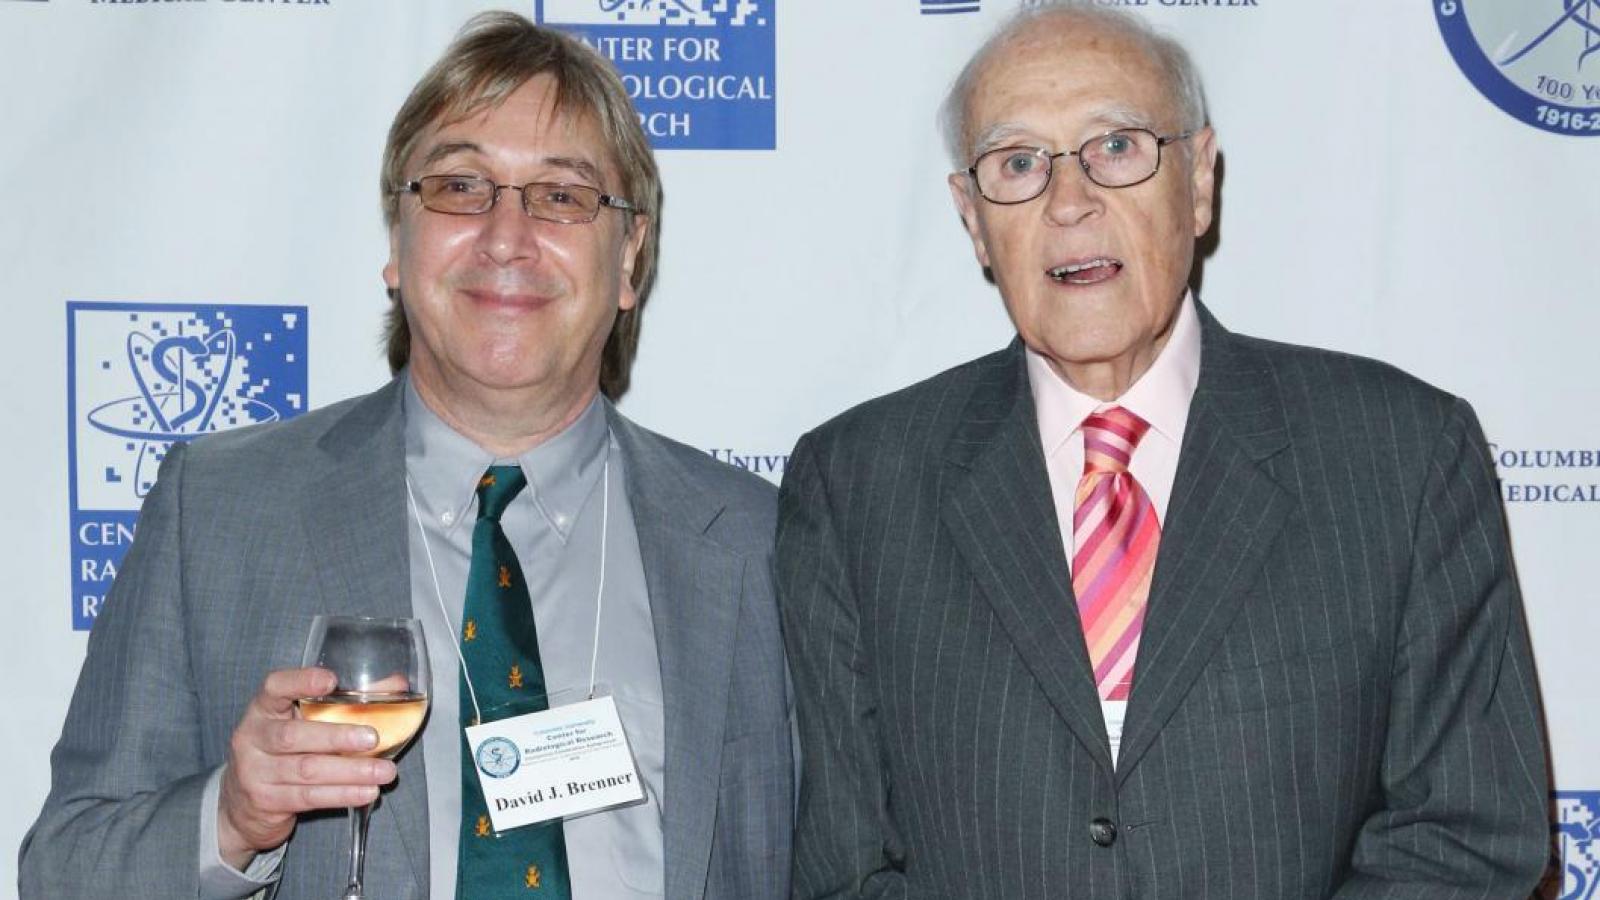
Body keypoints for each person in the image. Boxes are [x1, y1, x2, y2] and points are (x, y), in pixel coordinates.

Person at [775, 3, 1549, 898]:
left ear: (1200, 181)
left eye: (1116, 147)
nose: (1070, 201)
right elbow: (845, 865)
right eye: (1019, 163)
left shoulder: (1402, 456)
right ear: (975, 220)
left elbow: (1469, 833)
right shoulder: (855, 485)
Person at [21, 13, 792, 900]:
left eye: (563, 196)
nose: (507, 236)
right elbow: (64, 870)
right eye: (461, 186)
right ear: (397, 243)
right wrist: (232, 818)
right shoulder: (220, 509)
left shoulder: (758, 544)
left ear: (630, 259)